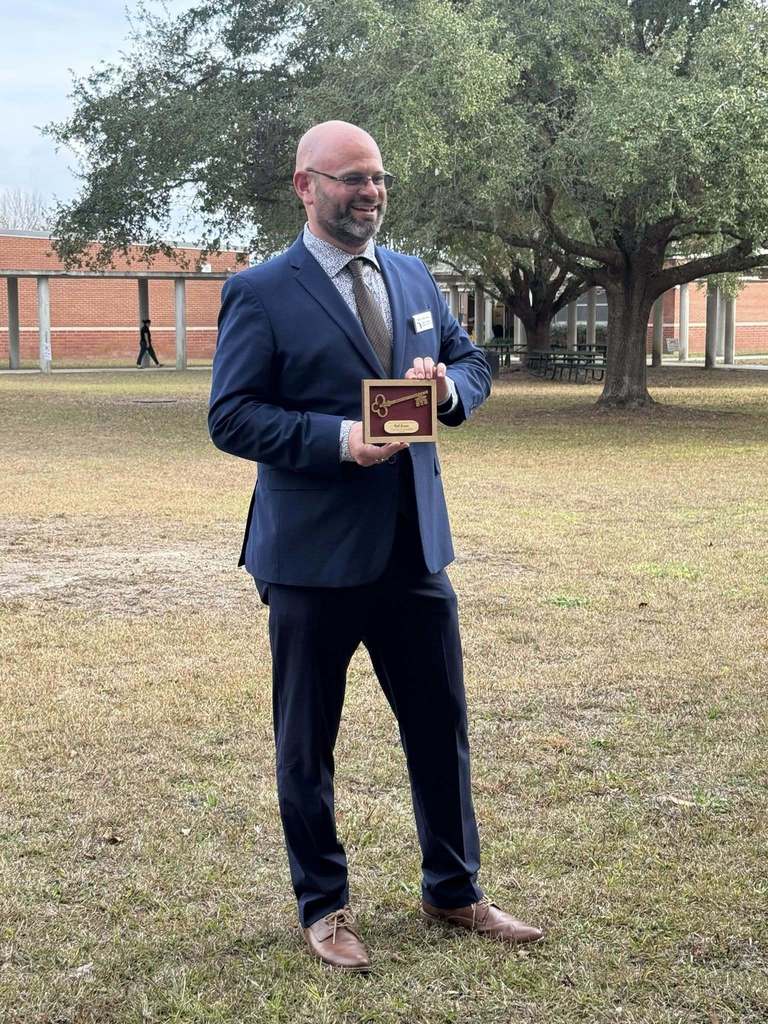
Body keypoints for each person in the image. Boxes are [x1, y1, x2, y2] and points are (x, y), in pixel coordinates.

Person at [208, 120, 543, 970]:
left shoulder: (412, 274)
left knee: (441, 726)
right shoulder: (261, 290)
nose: (371, 193)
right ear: (305, 186)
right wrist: (337, 440)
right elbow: (232, 414)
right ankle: (323, 907)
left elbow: (473, 362)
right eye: (352, 178)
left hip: (413, 550)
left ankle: (454, 889)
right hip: (311, 560)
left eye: (379, 178)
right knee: (307, 742)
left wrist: (450, 389)